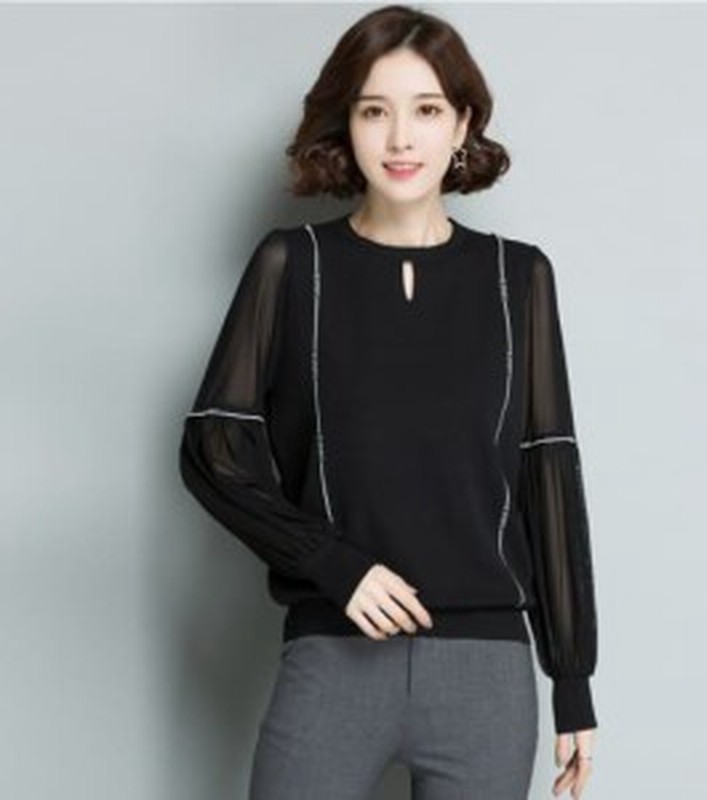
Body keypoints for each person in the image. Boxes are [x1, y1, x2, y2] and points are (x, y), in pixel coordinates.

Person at [178, 5, 599, 799]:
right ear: (347, 123)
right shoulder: (293, 266)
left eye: (427, 110)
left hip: (484, 675)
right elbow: (213, 449)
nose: (401, 139)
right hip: (334, 656)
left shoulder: (518, 278)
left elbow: (548, 474)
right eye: (375, 111)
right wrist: (332, 563)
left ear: (463, 123)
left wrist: (572, 679)